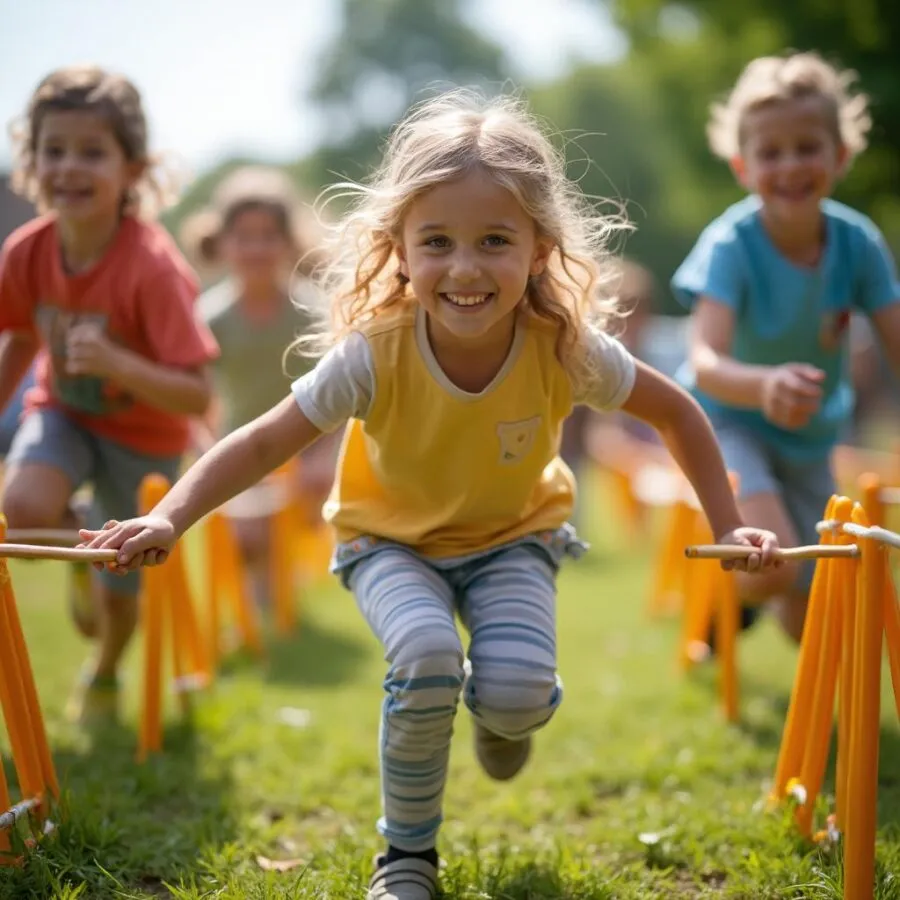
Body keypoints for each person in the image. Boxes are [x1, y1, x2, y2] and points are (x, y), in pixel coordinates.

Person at [81, 89, 779, 899]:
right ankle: (407, 858)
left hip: (515, 539)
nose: (466, 267)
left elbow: (679, 413)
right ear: (402, 251)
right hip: (390, 544)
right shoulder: (373, 353)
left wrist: (728, 525)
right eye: (437, 242)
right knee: (424, 656)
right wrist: (170, 515)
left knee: (515, 696)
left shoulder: (563, 347)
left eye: (495, 240)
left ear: (539, 247)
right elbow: (266, 439)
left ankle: (504, 716)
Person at [0, 65, 218, 724]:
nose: (69, 166)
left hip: (145, 442)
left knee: (117, 599)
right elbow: (17, 343)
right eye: (53, 149)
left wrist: (120, 364)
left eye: (91, 152)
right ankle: (76, 544)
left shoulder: (153, 269)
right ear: (31, 159)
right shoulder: (26, 253)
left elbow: (193, 394)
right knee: (21, 505)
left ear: (134, 169)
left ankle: (104, 670)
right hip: (61, 413)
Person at [671, 51, 900, 644]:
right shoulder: (731, 245)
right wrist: (764, 385)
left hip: (813, 437)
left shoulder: (859, 244)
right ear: (743, 166)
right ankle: (736, 591)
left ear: (840, 156)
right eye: (771, 152)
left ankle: (739, 609)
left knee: (813, 622)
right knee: (770, 568)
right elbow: (704, 361)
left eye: (808, 146)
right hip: (727, 424)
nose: (791, 165)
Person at [184, 166, 339, 606]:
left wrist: (325, 456)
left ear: (289, 242)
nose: (256, 248)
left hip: (307, 446)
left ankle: (277, 599)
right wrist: (203, 451)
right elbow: (194, 401)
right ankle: (263, 616)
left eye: (268, 235)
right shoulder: (211, 317)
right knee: (248, 539)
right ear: (222, 242)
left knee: (285, 531)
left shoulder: (314, 312)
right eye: (243, 236)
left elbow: (347, 391)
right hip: (239, 447)